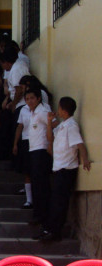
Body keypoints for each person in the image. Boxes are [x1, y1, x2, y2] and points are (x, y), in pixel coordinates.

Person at [37, 97, 91, 242]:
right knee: (54, 201)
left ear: (63, 110)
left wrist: (85, 159)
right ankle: (50, 229)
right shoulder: (63, 125)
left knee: (60, 202)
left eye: (59, 108)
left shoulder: (72, 126)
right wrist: (49, 121)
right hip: (58, 168)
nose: (58, 110)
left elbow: (79, 144)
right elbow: (50, 138)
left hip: (66, 170)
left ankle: (55, 232)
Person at [21, 88, 52, 229]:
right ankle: (38, 215)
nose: (29, 101)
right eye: (27, 99)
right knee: (36, 185)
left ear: (38, 98)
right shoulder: (32, 113)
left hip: (41, 151)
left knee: (41, 186)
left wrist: (50, 144)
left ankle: (43, 216)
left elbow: (54, 124)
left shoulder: (42, 112)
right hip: (33, 150)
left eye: (32, 98)